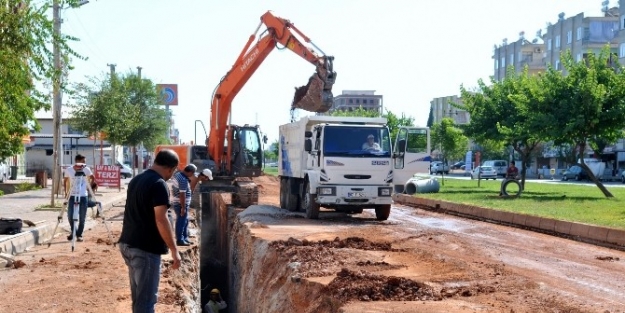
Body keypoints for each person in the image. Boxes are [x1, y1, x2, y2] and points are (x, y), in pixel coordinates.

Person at [118, 149, 181, 313]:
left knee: (139, 298)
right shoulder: (159, 184)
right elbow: (161, 219)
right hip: (145, 249)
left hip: (128, 244)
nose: (171, 175)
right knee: (146, 302)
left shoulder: (137, 179)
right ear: (170, 168)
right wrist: (174, 250)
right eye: (173, 171)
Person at [63, 154, 95, 242]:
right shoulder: (69, 170)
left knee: (82, 217)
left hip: (83, 196)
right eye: (83, 162)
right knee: (70, 216)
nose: (84, 164)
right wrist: (65, 192)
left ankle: (79, 235)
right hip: (72, 195)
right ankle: (74, 231)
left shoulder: (86, 169)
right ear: (77, 161)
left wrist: (89, 188)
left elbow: (93, 178)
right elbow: (65, 181)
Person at [170, 164, 198, 246]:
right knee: (181, 222)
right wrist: (183, 207)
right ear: (190, 172)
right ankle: (180, 240)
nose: (192, 176)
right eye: (192, 174)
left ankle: (185, 238)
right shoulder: (183, 180)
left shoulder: (178, 175)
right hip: (180, 204)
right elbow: (182, 195)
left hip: (179, 203)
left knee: (185, 221)